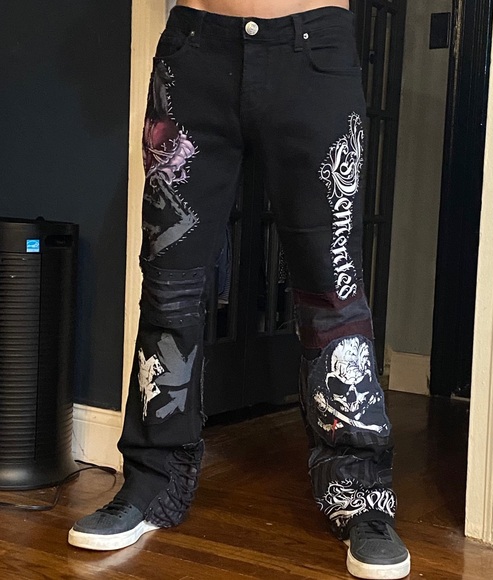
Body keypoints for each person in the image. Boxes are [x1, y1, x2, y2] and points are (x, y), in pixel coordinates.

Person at [68, 0, 411, 578]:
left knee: (331, 288)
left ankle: (361, 496)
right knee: (169, 285)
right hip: (194, 54)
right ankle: (151, 482)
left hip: (314, 56)